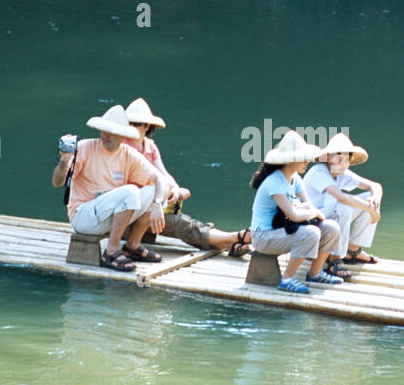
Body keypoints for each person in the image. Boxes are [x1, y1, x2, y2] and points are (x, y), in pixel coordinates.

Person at [123, 97, 251, 256]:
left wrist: (175, 189)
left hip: (154, 204)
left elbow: (164, 173)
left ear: (146, 126)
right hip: (134, 210)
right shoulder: (124, 147)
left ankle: (229, 244)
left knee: (182, 221)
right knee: (180, 224)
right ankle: (234, 238)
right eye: (128, 123)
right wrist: (168, 190)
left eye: (135, 124)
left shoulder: (149, 145)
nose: (130, 127)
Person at [51, 104, 170, 272]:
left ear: (122, 135)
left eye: (111, 132)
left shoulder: (128, 154)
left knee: (157, 193)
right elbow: (57, 182)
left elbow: (160, 179)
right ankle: (111, 251)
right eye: (103, 130)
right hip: (83, 216)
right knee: (130, 191)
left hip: (110, 213)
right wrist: (64, 160)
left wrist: (158, 204)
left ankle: (133, 245)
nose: (105, 135)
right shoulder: (84, 148)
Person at [248, 130, 342, 294]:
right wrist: (308, 211)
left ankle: (315, 273)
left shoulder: (296, 178)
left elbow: (309, 207)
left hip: (282, 231)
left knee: (332, 228)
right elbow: (294, 215)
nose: (307, 162)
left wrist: (307, 210)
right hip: (263, 237)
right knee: (311, 232)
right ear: (289, 159)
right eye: (302, 158)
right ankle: (287, 279)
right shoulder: (274, 181)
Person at [303, 132, 383, 271]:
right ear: (328, 158)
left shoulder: (341, 173)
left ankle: (353, 250)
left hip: (330, 218)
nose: (343, 164)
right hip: (311, 223)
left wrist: (375, 199)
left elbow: (375, 186)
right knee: (344, 206)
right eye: (339, 159)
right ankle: (335, 256)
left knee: (370, 198)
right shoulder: (319, 172)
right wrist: (370, 208)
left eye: (346, 160)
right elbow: (341, 197)